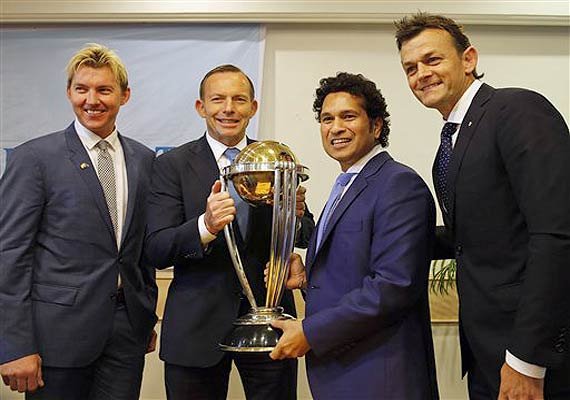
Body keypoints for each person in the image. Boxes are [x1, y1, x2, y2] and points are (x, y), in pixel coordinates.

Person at [395, 12, 570, 399]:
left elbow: (556, 236)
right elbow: (473, 238)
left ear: (468, 59)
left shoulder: (516, 110)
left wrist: (527, 360)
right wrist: (382, 237)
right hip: (485, 351)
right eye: (410, 68)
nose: (421, 74)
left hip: (532, 356)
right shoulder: (450, 143)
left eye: (432, 60)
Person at [144, 64, 314, 400]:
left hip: (271, 326)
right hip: (195, 331)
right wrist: (205, 226)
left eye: (239, 99)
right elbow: (157, 249)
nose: (228, 108)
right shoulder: (171, 165)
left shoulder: (276, 159)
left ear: (253, 107)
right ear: (201, 107)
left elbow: (305, 233)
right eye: (218, 99)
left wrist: (291, 216)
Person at [0, 43, 158, 399]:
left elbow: (140, 248)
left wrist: (144, 313)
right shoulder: (34, 158)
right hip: (56, 337)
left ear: (124, 95)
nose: (92, 100)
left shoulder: (144, 159)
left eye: (104, 90)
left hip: (126, 335)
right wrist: (14, 344)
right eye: (82, 89)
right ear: (69, 92)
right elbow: (10, 255)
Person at [269, 72, 439, 399]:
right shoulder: (344, 185)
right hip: (342, 372)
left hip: (380, 376)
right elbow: (355, 270)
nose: (336, 127)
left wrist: (310, 332)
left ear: (376, 126)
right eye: (327, 119)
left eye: (348, 116)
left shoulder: (398, 184)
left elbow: (393, 286)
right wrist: (306, 279)